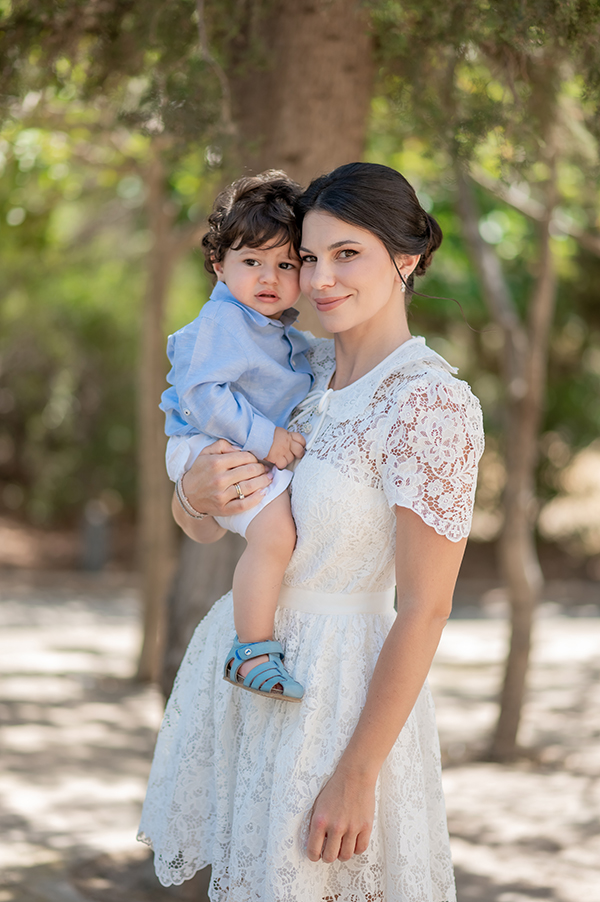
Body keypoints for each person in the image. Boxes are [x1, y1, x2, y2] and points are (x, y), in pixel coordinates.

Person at [138, 162, 485, 902]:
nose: (321, 278)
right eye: (310, 257)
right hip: (246, 684)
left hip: (338, 699)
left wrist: (358, 774)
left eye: (347, 254)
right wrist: (193, 498)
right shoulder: (297, 373)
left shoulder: (428, 404)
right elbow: (214, 522)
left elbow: (427, 608)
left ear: (407, 257)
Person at [160, 171, 313, 701]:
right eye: (252, 261)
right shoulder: (224, 320)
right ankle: (251, 650)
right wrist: (266, 440)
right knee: (275, 534)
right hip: (204, 444)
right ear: (219, 265)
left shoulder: (275, 330)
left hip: (229, 442)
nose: (268, 276)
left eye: (286, 264)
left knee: (279, 528)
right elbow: (201, 396)